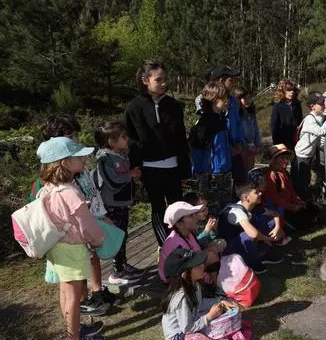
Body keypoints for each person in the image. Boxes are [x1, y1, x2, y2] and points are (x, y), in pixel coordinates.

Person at [30, 114, 116, 315]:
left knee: (92, 259)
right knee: (78, 269)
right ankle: (83, 301)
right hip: (76, 227)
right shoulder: (58, 171)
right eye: (72, 135)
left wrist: (101, 213)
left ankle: (96, 292)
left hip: (89, 217)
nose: (76, 139)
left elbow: (91, 189)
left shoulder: (76, 160)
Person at [36, 137, 106, 340]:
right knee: (75, 295)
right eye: (79, 156)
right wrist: (100, 239)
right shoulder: (71, 193)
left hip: (57, 247)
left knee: (65, 292)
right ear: (65, 163)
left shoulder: (48, 188)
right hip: (73, 248)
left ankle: (72, 330)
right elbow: (87, 229)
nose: (84, 158)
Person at [124, 59, 190, 247]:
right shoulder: (133, 108)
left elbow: (180, 138)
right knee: (158, 209)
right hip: (150, 169)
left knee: (177, 207)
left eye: (165, 79)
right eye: (158, 80)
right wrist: (135, 167)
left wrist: (185, 168)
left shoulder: (173, 105)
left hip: (174, 167)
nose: (164, 83)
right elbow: (131, 141)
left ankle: (183, 244)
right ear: (145, 80)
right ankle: (166, 246)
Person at [151, 248, 246, 340]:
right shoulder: (181, 298)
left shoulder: (195, 285)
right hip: (179, 336)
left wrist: (221, 301)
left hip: (194, 319)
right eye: (197, 265)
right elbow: (187, 328)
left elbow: (200, 304)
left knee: (224, 306)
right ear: (185, 274)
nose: (202, 265)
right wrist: (209, 316)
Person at [94, 120, 143, 285]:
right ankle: (116, 272)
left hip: (121, 204)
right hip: (112, 205)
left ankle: (122, 264)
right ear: (111, 142)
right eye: (123, 137)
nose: (127, 139)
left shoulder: (120, 155)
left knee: (123, 235)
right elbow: (113, 182)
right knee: (116, 236)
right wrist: (130, 175)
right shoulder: (105, 159)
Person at [218, 182, 286, 274]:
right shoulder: (237, 212)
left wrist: (277, 228)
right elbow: (253, 234)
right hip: (229, 248)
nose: (260, 193)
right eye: (256, 192)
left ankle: (262, 254)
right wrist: (268, 238)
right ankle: (253, 262)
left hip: (241, 242)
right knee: (248, 235)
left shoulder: (252, 206)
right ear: (246, 198)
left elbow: (275, 214)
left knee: (270, 221)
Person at [196, 66, 246, 184]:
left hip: (235, 150)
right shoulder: (204, 99)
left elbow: (237, 123)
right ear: (221, 81)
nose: (234, 83)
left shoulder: (233, 101)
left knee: (240, 184)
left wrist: (239, 142)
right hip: (219, 153)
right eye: (231, 80)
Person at [158, 202, 223, 290]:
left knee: (213, 247)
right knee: (211, 255)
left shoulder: (187, 233)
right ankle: (216, 286)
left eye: (194, 214)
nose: (196, 217)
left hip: (188, 269)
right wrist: (208, 279)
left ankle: (216, 282)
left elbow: (197, 252)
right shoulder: (177, 244)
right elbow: (189, 269)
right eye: (190, 216)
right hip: (175, 280)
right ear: (180, 224)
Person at [189, 82, 233, 214]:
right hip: (211, 175)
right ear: (214, 100)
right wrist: (205, 172)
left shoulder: (221, 119)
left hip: (224, 171)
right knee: (210, 210)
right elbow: (197, 151)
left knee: (224, 208)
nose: (227, 102)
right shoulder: (204, 124)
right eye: (224, 99)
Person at [292, 93, 326, 199]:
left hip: (307, 155)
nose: (324, 105)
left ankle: (304, 203)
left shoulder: (319, 116)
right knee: (300, 183)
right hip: (301, 156)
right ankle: (299, 207)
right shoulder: (309, 120)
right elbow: (321, 131)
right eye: (321, 103)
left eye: (324, 103)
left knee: (305, 180)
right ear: (312, 106)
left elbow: (325, 116)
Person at [270, 78, 303, 150]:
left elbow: (300, 123)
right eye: (289, 90)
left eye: (293, 90)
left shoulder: (297, 105)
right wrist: (277, 144)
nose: (292, 92)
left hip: (296, 142)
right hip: (282, 143)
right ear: (283, 91)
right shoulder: (277, 106)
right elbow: (274, 127)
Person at [236, 86, 261, 172]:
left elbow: (256, 129)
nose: (248, 100)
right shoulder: (237, 114)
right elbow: (239, 132)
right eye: (245, 98)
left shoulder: (251, 113)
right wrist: (246, 146)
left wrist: (257, 145)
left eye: (249, 98)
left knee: (250, 172)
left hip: (252, 147)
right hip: (242, 148)